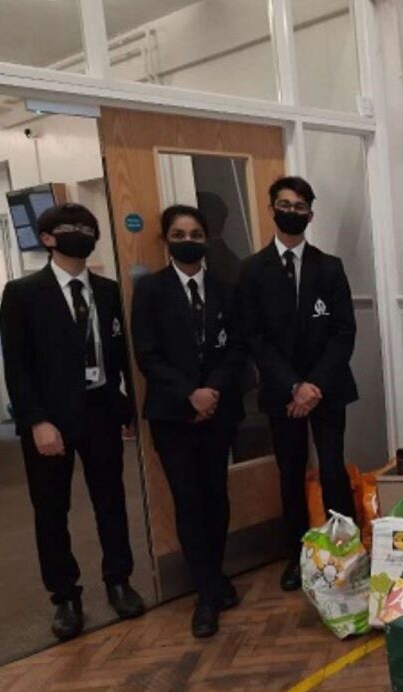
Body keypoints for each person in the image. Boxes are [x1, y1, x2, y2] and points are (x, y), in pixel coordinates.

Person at [0, 202, 144, 641]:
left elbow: (119, 355)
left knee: (111, 502)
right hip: (50, 418)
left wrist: (126, 408)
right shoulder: (23, 293)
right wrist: (36, 421)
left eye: (88, 227)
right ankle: (65, 597)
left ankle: (119, 582)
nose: (81, 233)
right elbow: (16, 366)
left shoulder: (107, 290)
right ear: (48, 238)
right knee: (51, 510)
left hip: (100, 408)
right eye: (70, 228)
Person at [236, 176, 358, 591]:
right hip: (282, 393)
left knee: (332, 470)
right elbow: (253, 338)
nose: (292, 211)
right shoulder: (252, 271)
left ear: (311, 212)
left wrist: (314, 386)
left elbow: (344, 331)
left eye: (300, 205)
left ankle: (345, 553)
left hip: (327, 388)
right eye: (284, 204)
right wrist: (293, 387)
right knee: (289, 475)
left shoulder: (330, 266)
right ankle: (298, 556)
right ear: (272, 209)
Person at [131, 205, 244, 637]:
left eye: (196, 232)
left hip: (218, 410)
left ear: (207, 238)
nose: (189, 239)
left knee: (216, 495)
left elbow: (236, 348)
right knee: (188, 499)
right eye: (180, 233)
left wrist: (211, 391)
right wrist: (189, 394)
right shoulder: (151, 291)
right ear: (167, 239)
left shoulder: (224, 289)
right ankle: (205, 592)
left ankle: (215, 575)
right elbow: (147, 355)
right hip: (172, 414)